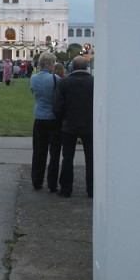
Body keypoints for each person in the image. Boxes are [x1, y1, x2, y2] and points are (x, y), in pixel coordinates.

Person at [55, 55, 94, 198]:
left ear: (73, 66)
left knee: (67, 157)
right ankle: (92, 189)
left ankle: (66, 188)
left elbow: (58, 105)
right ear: (85, 67)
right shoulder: (93, 82)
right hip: (89, 125)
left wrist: (61, 120)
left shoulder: (65, 82)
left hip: (69, 124)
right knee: (90, 158)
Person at [30, 51, 62, 192]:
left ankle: (37, 180)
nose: (55, 65)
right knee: (54, 153)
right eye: (53, 62)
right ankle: (52, 183)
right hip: (53, 119)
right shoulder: (56, 79)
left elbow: (34, 93)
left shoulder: (33, 78)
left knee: (38, 151)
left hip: (39, 117)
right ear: (48, 63)